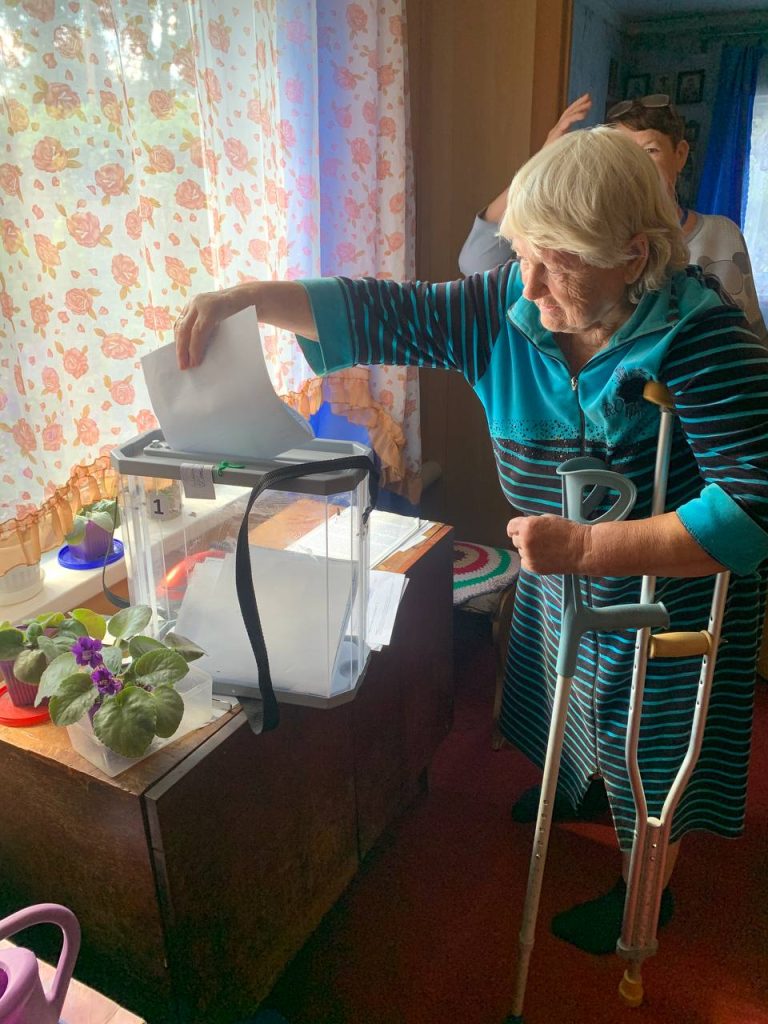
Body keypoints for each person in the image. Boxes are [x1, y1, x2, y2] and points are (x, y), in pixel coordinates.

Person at [175, 128, 768, 956]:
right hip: (558, 575)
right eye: (522, 254)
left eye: (556, 263)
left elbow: (752, 510)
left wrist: (588, 551)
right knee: (563, 700)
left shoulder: (706, 340)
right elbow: (385, 310)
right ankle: (578, 789)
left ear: (633, 256)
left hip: (669, 594)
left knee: (655, 748)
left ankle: (645, 897)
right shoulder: (505, 306)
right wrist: (246, 298)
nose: (528, 285)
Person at [459, 93, 768, 344]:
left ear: (680, 154)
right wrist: (543, 163)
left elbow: (753, 337)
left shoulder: (722, 233)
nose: (635, 167)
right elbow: (476, 260)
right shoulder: (582, 242)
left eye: (650, 150)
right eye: (621, 154)